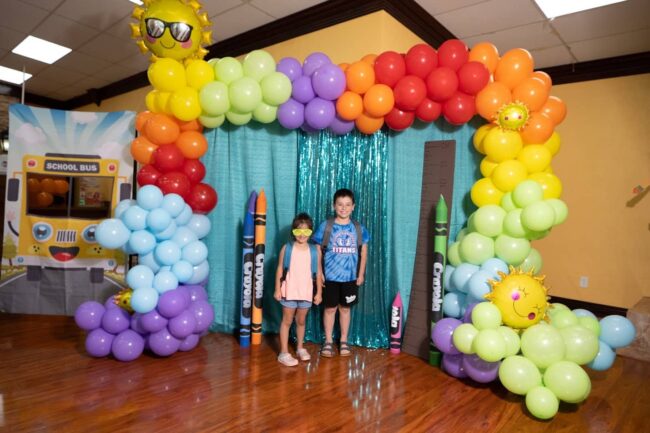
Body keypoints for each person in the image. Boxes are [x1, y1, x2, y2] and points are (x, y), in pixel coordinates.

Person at [312, 188, 370, 357]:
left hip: (350, 278)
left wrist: (360, 274)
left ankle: (344, 340)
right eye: (340, 204)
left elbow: (364, 252)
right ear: (334, 206)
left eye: (347, 205)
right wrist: (319, 272)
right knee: (330, 309)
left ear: (353, 207)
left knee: (345, 309)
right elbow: (317, 251)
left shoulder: (358, 228)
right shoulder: (326, 226)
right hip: (330, 277)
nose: (343, 208)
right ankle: (328, 341)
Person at [274, 213, 323, 366]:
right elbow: (280, 269)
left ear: (311, 232)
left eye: (306, 231)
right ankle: (283, 352)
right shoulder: (287, 248)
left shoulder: (314, 251)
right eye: (298, 231)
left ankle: (300, 348)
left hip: (306, 292)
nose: (302, 235)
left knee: (301, 321)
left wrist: (319, 293)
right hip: (289, 291)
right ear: (293, 231)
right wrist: (277, 289)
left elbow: (318, 272)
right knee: (287, 320)